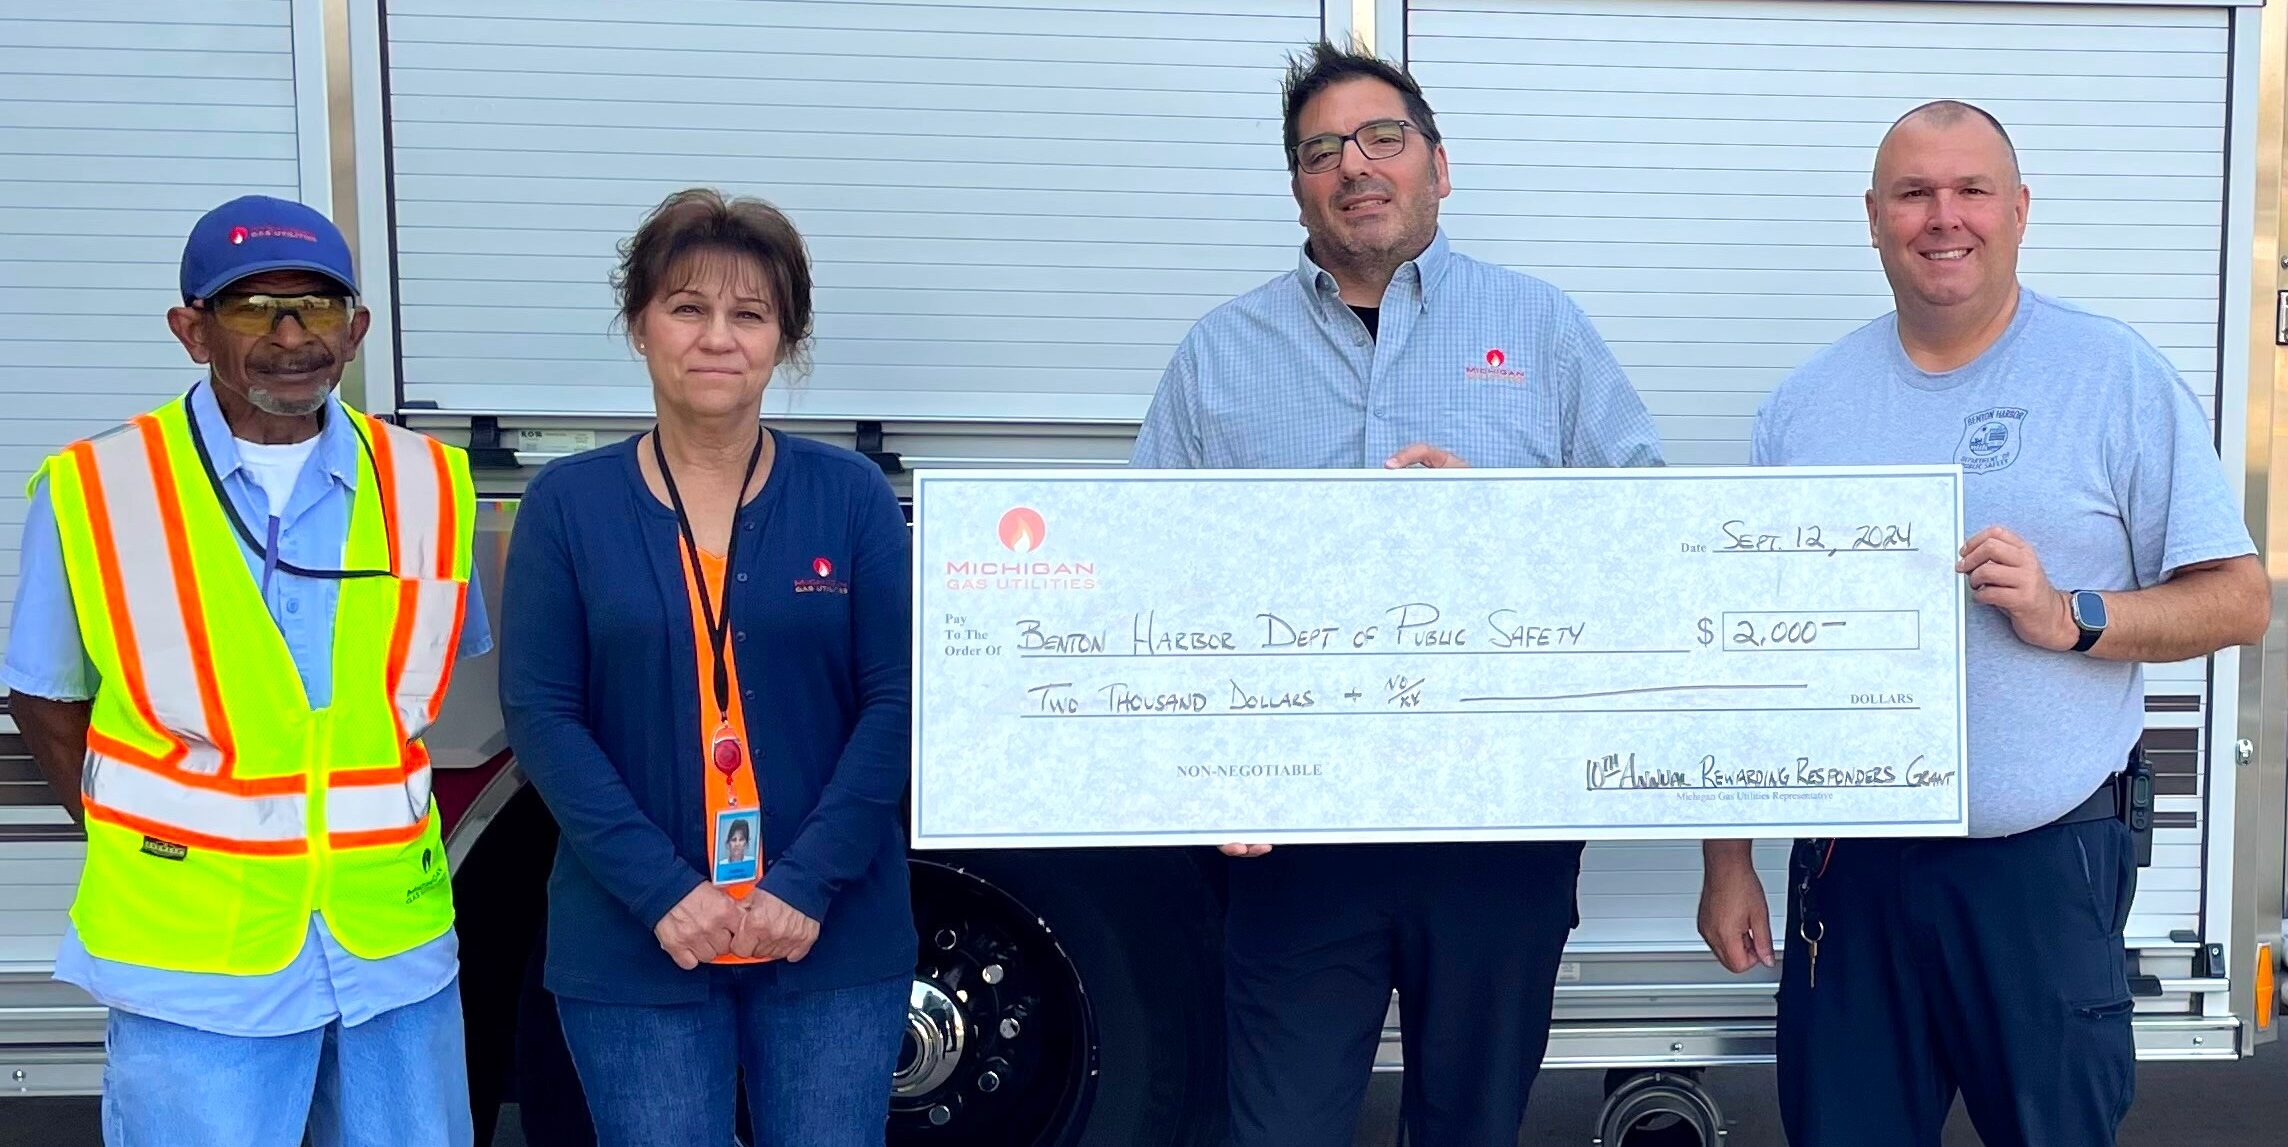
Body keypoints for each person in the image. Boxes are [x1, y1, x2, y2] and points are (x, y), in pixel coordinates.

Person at [1696, 100, 2269, 1146]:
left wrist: (2071, 615)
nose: (1941, 216)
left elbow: (2238, 596)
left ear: (2017, 210)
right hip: (1848, 870)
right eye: (1913, 193)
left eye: (1969, 190)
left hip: (2040, 868)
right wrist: (1723, 857)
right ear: (1871, 218)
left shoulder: (2111, 377)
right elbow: (1742, 649)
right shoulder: (1803, 407)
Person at [1130, 41, 1662, 1147]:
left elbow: (1645, 540)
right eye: (1321, 150)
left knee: (1469, 1125)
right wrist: (1197, 774)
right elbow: (1149, 581)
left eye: (1382, 139)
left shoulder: (1543, 331)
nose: (1354, 167)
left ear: (1437, 165)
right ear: (1296, 185)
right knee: (1275, 1130)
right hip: (1290, 838)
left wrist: (1501, 514)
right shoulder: (1218, 356)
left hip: (1499, 824)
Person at [1, 195, 491, 1145]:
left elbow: (430, 685)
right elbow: (43, 693)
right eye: (253, 307)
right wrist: (138, 837)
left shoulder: (433, 483)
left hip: (392, 950)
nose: (292, 335)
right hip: (193, 960)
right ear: (192, 331)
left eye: (316, 305)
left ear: (358, 328)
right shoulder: (95, 489)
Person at [499, 188, 913, 1146]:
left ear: (786, 339)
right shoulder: (566, 504)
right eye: (687, 307)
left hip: (831, 933)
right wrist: (663, 895)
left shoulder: (849, 497)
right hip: (635, 938)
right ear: (640, 325)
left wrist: (804, 886)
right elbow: (544, 717)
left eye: (749, 313)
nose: (717, 337)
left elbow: (896, 705)